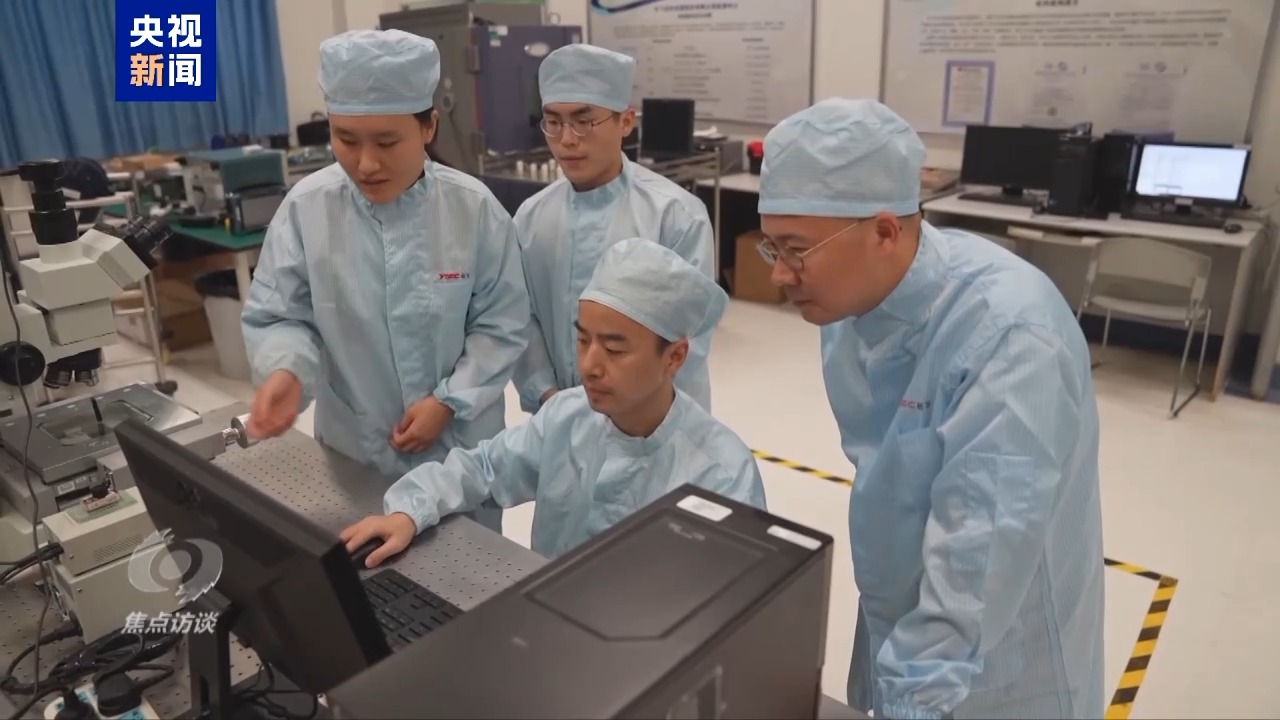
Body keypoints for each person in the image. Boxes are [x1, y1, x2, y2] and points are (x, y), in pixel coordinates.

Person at [755, 97, 1104, 719]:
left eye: (795, 249)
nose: (779, 275)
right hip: (899, 601)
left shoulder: (1008, 336)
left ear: (885, 231)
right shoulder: (851, 305)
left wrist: (915, 699)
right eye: (771, 247)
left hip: (1002, 645)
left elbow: (980, 551)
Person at [240, 29, 529, 532]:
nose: (366, 164)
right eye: (346, 140)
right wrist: (286, 369)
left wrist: (449, 400)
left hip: (457, 453)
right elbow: (281, 314)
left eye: (387, 142)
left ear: (428, 127)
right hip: (357, 452)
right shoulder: (307, 209)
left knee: (468, 569)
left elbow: (501, 324)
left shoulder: (474, 210)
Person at [340, 238, 765, 565]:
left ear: (674, 357)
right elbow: (483, 468)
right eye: (583, 340)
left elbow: (735, 599)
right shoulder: (567, 416)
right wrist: (409, 513)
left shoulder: (720, 473)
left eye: (614, 349)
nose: (589, 365)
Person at [512, 44, 717, 415]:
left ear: (625, 121)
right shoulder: (530, 219)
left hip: (651, 425)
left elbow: (689, 339)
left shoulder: (674, 216)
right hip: (556, 419)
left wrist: (632, 420)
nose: (567, 139)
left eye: (584, 121)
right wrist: (548, 396)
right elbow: (521, 317)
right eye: (554, 122)